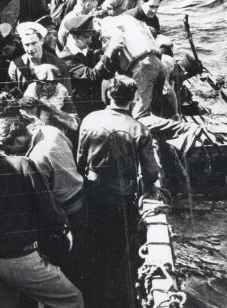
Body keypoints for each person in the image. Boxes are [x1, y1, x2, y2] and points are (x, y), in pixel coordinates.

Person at [0, 118, 83, 308]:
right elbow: (48, 209)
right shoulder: (22, 164)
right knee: (72, 299)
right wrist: (63, 233)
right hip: (22, 259)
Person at [77, 75, 160, 308]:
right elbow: (151, 171)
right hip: (121, 200)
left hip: (91, 194)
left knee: (93, 244)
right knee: (116, 251)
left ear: (109, 95)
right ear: (133, 99)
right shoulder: (138, 129)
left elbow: (80, 159)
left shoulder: (90, 119)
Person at [0, 117, 86, 287]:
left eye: (8, 148)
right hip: (80, 201)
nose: (9, 154)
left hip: (64, 213)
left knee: (63, 270)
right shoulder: (51, 131)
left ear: (19, 139)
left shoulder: (34, 160)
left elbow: (43, 201)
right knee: (79, 262)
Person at [58, 15, 123, 119]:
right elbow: (91, 75)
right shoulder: (66, 58)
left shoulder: (85, 50)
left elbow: (105, 70)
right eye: (86, 37)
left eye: (90, 36)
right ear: (74, 37)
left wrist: (109, 48)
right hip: (82, 110)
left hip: (96, 105)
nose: (90, 40)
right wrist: (109, 50)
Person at [8, 22, 72, 93]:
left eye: (34, 43)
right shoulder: (15, 66)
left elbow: (67, 97)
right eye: (27, 45)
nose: (30, 48)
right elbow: (13, 96)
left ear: (42, 41)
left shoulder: (59, 65)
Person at [23, 64, 80, 134]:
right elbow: (25, 114)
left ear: (55, 83)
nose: (44, 88)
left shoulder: (61, 90)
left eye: (47, 84)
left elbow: (73, 117)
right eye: (40, 83)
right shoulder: (31, 88)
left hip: (55, 130)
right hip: (35, 130)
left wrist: (54, 110)